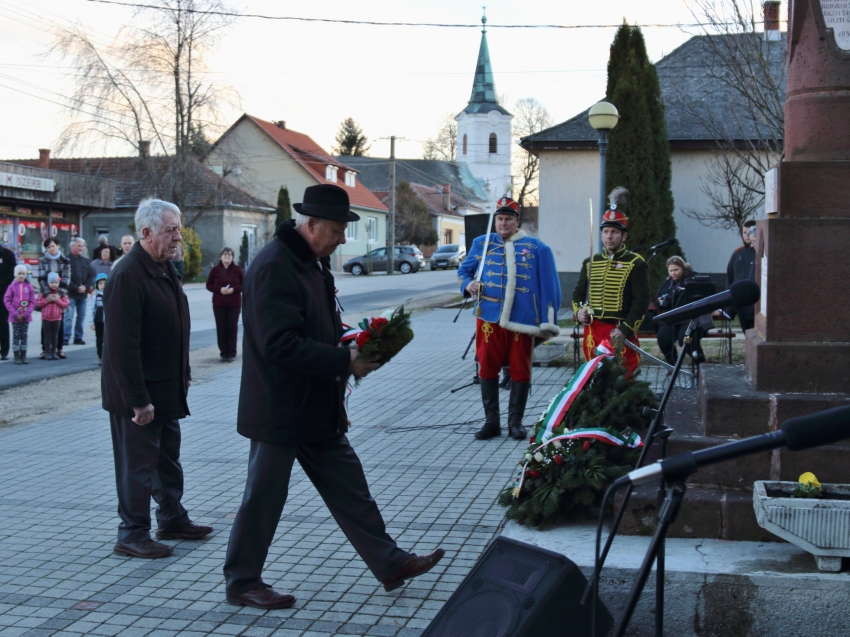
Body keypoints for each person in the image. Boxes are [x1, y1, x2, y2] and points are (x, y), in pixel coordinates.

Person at [224, 184, 444, 610]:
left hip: (315, 404)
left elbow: (320, 326)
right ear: (311, 224)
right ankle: (242, 581)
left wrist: (358, 341)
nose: (343, 239)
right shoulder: (274, 267)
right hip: (279, 408)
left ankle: (391, 563)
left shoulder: (312, 262)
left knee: (349, 485)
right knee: (264, 497)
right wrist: (345, 362)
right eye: (338, 229)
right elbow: (279, 345)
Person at [102, 198, 212, 559]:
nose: (178, 237)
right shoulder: (127, 275)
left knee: (167, 460)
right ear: (147, 232)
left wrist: (184, 375)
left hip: (165, 389)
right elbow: (121, 346)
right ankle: (132, 533)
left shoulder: (164, 267)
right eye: (171, 230)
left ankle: (172, 518)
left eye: (179, 229)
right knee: (137, 466)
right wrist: (138, 399)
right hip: (139, 396)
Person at [457, 197, 562, 441]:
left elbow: (550, 285)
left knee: (519, 369)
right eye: (500, 219)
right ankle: (491, 422)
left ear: (517, 221)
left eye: (508, 219)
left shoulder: (536, 248)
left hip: (520, 319)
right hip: (488, 317)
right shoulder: (481, 243)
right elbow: (464, 271)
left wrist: (548, 318)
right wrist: (468, 284)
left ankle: (516, 422)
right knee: (486, 367)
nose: (503, 223)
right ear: (495, 221)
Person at [572, 188, 650, 375]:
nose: (609, 236)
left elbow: (641, 302)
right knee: (593, 376)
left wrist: (626, 330)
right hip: (593, 330)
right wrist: (579, 311)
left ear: (624, 236)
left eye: (614, 232)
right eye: (606, 231)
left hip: (619, 329)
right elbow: (578, 295)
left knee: (623, 376)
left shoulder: (636, 262)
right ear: (601, 235)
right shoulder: (590, 262)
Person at [655, 256, 706, 366]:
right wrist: (660, 302)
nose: (673, 273)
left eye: (676, 270)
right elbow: (657, 302)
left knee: (684, 339)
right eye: (671, 271)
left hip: (689, 317)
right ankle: (672, 366)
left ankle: (700, 364)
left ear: (683, 268)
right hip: (671, 318)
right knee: (663, 339)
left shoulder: (693, 278)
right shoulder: (666, 283)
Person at [205, 247, 243, 362]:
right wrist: (219, 289)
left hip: (234, 304)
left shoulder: (237, 270)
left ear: (232, 257)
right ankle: (224, 353)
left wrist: (233, 290)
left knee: (232, 327)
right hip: (219, 304)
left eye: (229, 254)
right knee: (221, 328)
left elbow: (244, 284)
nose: (227, 256)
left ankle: (231, 353)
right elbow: (209, 285)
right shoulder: (215, 270)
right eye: (225, 254)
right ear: (221, 256)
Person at [38, 238, 71, 359]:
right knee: (45, 324)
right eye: (48, 247)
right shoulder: (42, 260)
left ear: (58, 246)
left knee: (60, 323)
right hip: (47, 294)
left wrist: (59, 294)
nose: (51, 248)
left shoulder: (65, 260)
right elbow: (41, 278)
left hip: (60, 293)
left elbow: (66, 278)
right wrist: (47, 294)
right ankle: (45, 349)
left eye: (53, 246)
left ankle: (59, 348)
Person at [726, 220, 757, 332]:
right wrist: (730, 305)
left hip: (754, 303)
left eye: (749, 232)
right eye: (744, 232)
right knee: (746, 333)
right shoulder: (738, 253)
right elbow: (730, 277)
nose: (747, 235)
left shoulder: (759, 252)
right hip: (740, 301)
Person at [4, 265, 35, 364]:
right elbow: (7, 300)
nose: (21, 275)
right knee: (16, 335)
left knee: (24, 335)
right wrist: (14, 313)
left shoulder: (29, 286)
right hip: (15, 317)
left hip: (26, 317)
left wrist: (27, 313)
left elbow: (32, 301)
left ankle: (23, 355)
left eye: (23, 273)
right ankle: (16, 355)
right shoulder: (11, 287)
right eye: (19, 273)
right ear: (15, 274)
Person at [64, 237, 92, 347]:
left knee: (81, 317)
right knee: (68, 317)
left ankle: (78, 337)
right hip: (70, 294)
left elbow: (91, 276)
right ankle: (65, 337)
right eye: (79, 246)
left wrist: (85, 287)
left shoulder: (85, 261)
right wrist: (76, 288)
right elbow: (65, 278)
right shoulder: (66, 260)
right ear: (72, 247)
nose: (81, 248)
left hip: (83, 295)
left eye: (82, 246)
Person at [36, 273, 70, 360]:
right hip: (46, 318)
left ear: (58, 283)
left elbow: (66, 303)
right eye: (52, 282)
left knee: (55, 336)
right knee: (47, 336)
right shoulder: (44, 293)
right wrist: (47, 300)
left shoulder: (61, 293)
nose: (54, 284)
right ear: (48, 283)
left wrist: (57, 300)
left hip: (57, 318)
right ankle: (47, 352)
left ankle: (54, 352)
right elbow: (38, 303)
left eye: (56, 282)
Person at [0, 242, 17, 360]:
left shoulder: (8, 255)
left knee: (2, 323)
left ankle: (4, 351)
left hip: (3, 293)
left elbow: (12, 272)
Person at [88, 273, 108, 365]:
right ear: (97, 285)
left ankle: (108, 357)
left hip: (109, 322)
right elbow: (91, 309)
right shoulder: (95, 296)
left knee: (108, 339)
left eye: (105, 283)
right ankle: (101, 357)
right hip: (98, 321)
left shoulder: (111, 294)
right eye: (100, 283)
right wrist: (91, 322)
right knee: (99, 339)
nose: (103, 285)